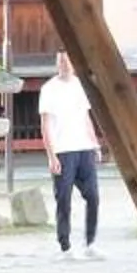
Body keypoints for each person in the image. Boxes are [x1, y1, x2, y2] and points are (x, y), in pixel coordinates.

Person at [39, 50, 102, 259]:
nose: (65, 65)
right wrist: (51, 155)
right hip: (63, 150)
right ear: (57, 63)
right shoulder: (48, 89)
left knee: (93, 196)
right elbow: (45, 124)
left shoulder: (79, 86)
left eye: (68, 61)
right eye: (61, 61)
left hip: (84, 148)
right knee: (63, 199)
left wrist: (95, 144)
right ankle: (65, 246)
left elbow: (86, 117)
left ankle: (90, 242)